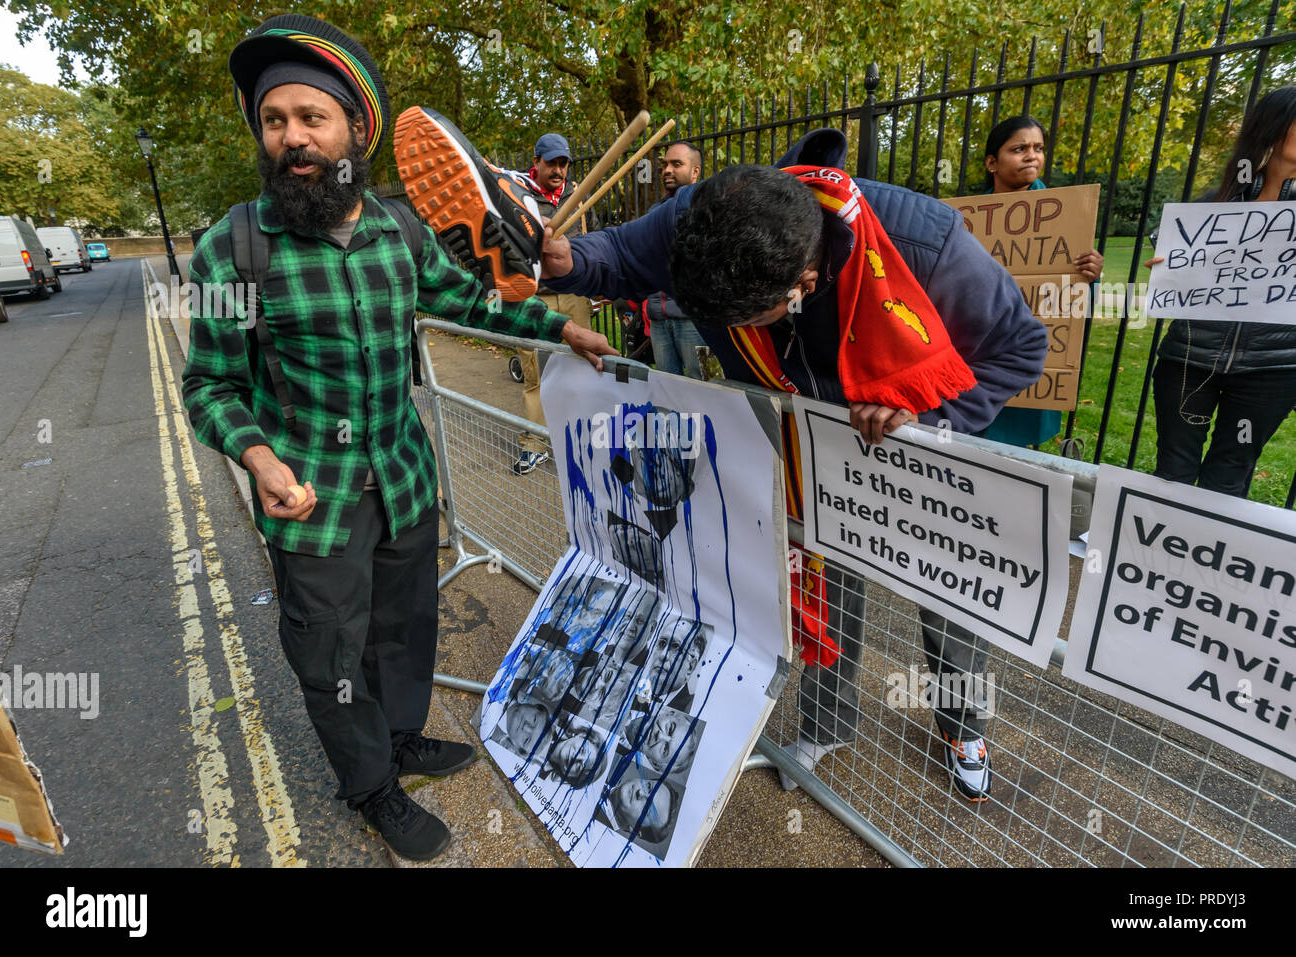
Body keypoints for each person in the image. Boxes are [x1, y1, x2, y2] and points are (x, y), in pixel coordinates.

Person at [182, 14, 614, 862]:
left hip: (405, 478)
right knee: (330, 647)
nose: (293, 139)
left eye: (313, 118)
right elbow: (210, 386)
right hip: (314, 501)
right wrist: (260, 458)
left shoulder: (400, 233)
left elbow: (475, 301)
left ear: (354, 130)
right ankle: (372, 783)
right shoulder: (230, 252)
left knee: (407, 621)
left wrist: (557, 331)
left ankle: (405, 733)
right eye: (276, 122)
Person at [540, 126, 1047, 803]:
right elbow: (616, 256)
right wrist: (560, 256)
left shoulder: (926, 242)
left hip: (924, 440)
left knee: (943, 587)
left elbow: (1019, 347)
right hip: (822, 446)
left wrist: (923, 422)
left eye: (750, 318)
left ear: (803, 283)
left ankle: (962, 724)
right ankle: (828, 722)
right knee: (824, 570)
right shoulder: (700, 222)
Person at [1149, 86, 1296, 497]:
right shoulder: (1216, 204)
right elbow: (1172, 253)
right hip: (1190, 359)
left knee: (1231, 472)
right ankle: (1154, 555)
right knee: (1173, 469)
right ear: (1274, 129)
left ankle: (1207, 559)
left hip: (1273, 370)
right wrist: (1167, 263)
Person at [979, 116, 1103, 449]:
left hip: (1029, 355)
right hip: (978, 352)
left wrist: (1091, 276)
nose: (1031, 156)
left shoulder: (1067, 217)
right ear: (992, 162)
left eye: (1038, 148)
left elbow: (1075, 305)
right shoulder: (970, 216)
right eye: (1019, 148)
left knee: (1012, 459)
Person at [511, 133, 601, 473]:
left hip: (576, 297)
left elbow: (594, 238)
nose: (559, 170)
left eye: (564, 163)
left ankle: (581, 439)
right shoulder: (518, 196)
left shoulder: (579, 195)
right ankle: (534, 443)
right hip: (535, 300)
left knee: (583, 368)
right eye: (552, 163)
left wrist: (597, 282)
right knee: (536, 374)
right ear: (537, 161)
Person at [640, 141, 709, 379]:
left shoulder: (708, 208)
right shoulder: (654, 212)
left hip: (694, 322)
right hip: (659, 321)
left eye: (676, 164)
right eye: (665, 164)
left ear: (695, 171)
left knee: (701, 390)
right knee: (667, 393)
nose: (667, 170)